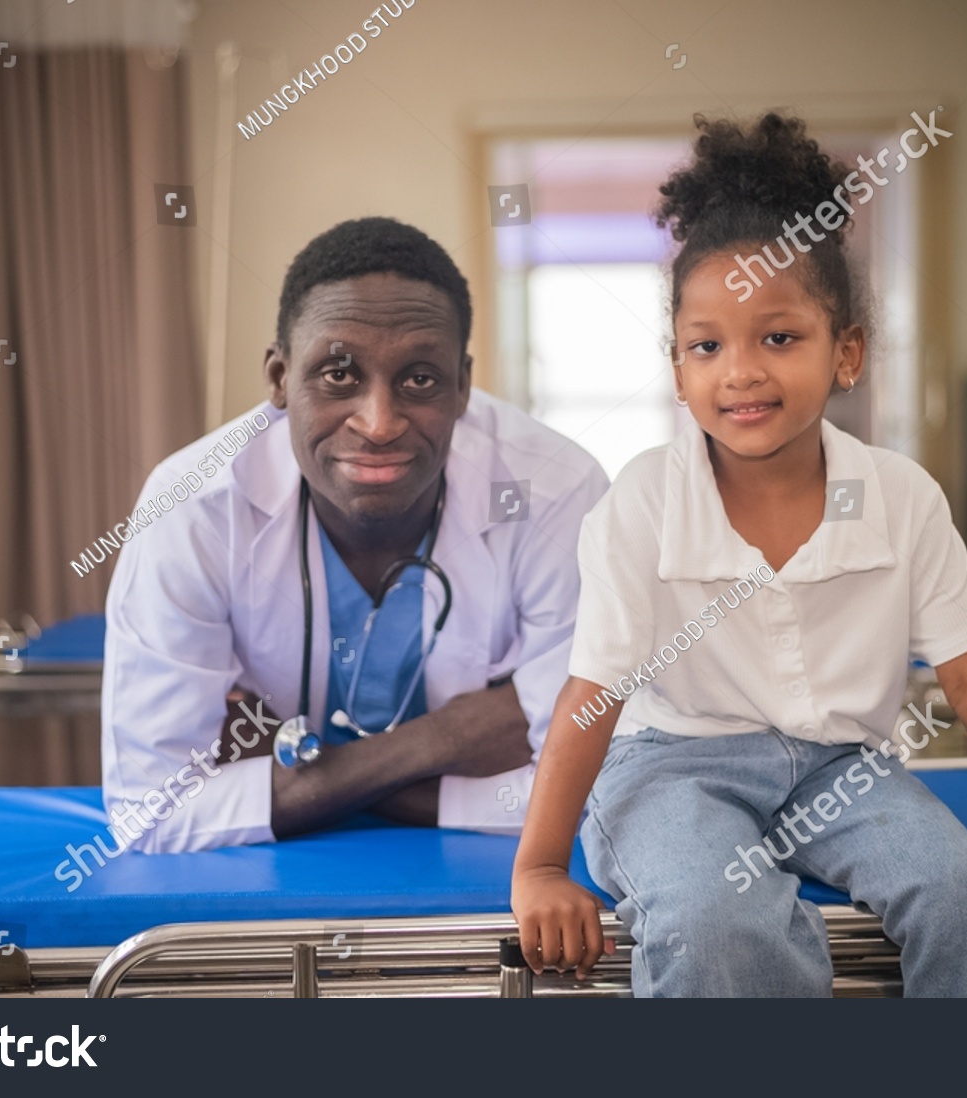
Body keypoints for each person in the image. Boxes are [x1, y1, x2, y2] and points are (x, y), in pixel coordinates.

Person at [509, 114, 967, 996]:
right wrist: (539, 869)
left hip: (842, 771)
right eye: (706, 345)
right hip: (672, 768)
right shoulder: (642, 500)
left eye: (780, 337)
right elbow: (592, 693)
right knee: (720, 920)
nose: (741, 371)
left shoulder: (902, 494)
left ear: (848, 353)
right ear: (678, 371)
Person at [101, 217, 608, 852]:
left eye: (420, 378)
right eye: (338, 375)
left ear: (462, 385)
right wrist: (439, 742)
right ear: (280, 379)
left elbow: (597, 788)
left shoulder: (554, 490)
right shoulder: (194, 507)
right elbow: (150, 809)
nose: (379, 423)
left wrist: (298, 762)